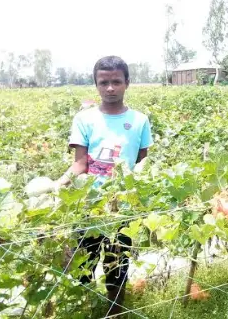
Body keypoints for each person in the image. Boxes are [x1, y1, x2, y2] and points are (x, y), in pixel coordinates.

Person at [55, 55, 154, 314]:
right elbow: (80, 164)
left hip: (122, 208)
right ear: (96, 85)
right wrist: (61, 183)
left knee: (117, 266)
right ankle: (86, 309)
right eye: (104, 82)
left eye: (116, 82)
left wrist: (143, 182)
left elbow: (142, 161)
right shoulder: (84, 119)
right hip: (89, 206)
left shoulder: (140, 120)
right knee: (84, 265)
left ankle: (114, 311)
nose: (110, 88)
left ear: (127, 83)